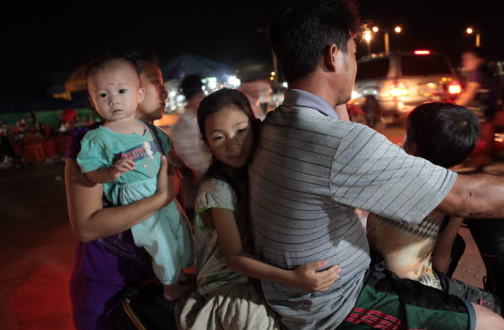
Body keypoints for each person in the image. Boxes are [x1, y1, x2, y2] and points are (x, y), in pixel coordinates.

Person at [249, 0, 504, 330]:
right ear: (333, 55)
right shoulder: (339, 142)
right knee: (496, 325)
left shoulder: (276, 124)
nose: (355, 66)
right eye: (354, 54)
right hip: (338, 301)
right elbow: (468, 196)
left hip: (298, 291)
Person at [178, 88, 340, 330]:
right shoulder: (216, 188)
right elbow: (234, 257)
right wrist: (293, 278)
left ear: (256, 125)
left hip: (259, 278)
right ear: (206, 143)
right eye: (219, 137)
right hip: (231, 286)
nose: (233, 144)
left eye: (241, 131)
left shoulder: (257, 168)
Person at [66, 54, 189, 330]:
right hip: (110, 287)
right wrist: (160, 198)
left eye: (121, 90)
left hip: (153, 285)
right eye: (157, 82)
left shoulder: (154, 136)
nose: (165, 91)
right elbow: (86, 227)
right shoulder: (92, 140)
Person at [366, 102, 499, 311]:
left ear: (414, 145)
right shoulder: (453, 195)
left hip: (373, 269)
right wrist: (439, 297)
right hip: (408, 288)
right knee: (493, 305)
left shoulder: (389, 171)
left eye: (407, 135)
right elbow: (441, 259)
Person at [170, 75, 212, 211]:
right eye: (201, 96)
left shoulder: (188, 120)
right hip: (197, 196)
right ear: (198, 96)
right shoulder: (187, 123)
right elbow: (194, 163)